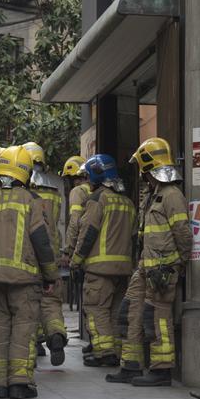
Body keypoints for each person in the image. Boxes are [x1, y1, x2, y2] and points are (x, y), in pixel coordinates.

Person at [0, 146, 59, 399]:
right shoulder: (30, 201)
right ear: (24, 172)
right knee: (23, 331)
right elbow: (42, 242)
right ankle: (19, 383)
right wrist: (50, 276)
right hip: (24, 281)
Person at [107, 137, 191, 387]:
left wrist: (181, 262)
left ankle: (161, 369)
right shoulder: (152, 195)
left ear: (149, 166)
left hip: (162, 270)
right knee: (130, 312)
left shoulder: (172, 195)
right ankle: (131, 365)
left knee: (157, 318)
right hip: (146, 267)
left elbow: (183, 233)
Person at [69, 154, 135, 368]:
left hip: (99, 268)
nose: (87, 180)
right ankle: (115, 351)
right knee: (115, 312)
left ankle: (104, 352)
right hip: (123, 269)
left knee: (97, 310)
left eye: (88, 176)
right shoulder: (128, 202)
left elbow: (87, 233)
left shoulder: (98, 199)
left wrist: (75, 260)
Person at [22, 142, 67, 366]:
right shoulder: (54, 191)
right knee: (51, 301)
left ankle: (36, 343)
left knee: (29, 301)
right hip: (51, 252)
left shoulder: (23, 191)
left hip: (29, 252)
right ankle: (56, 334)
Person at [59, 155, 90, 352]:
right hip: (101, 250)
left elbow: (75, 222)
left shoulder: (78, 192)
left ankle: (101, 348)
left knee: (93, 304)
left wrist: (69, 251)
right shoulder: (100, 191)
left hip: (85, 253)